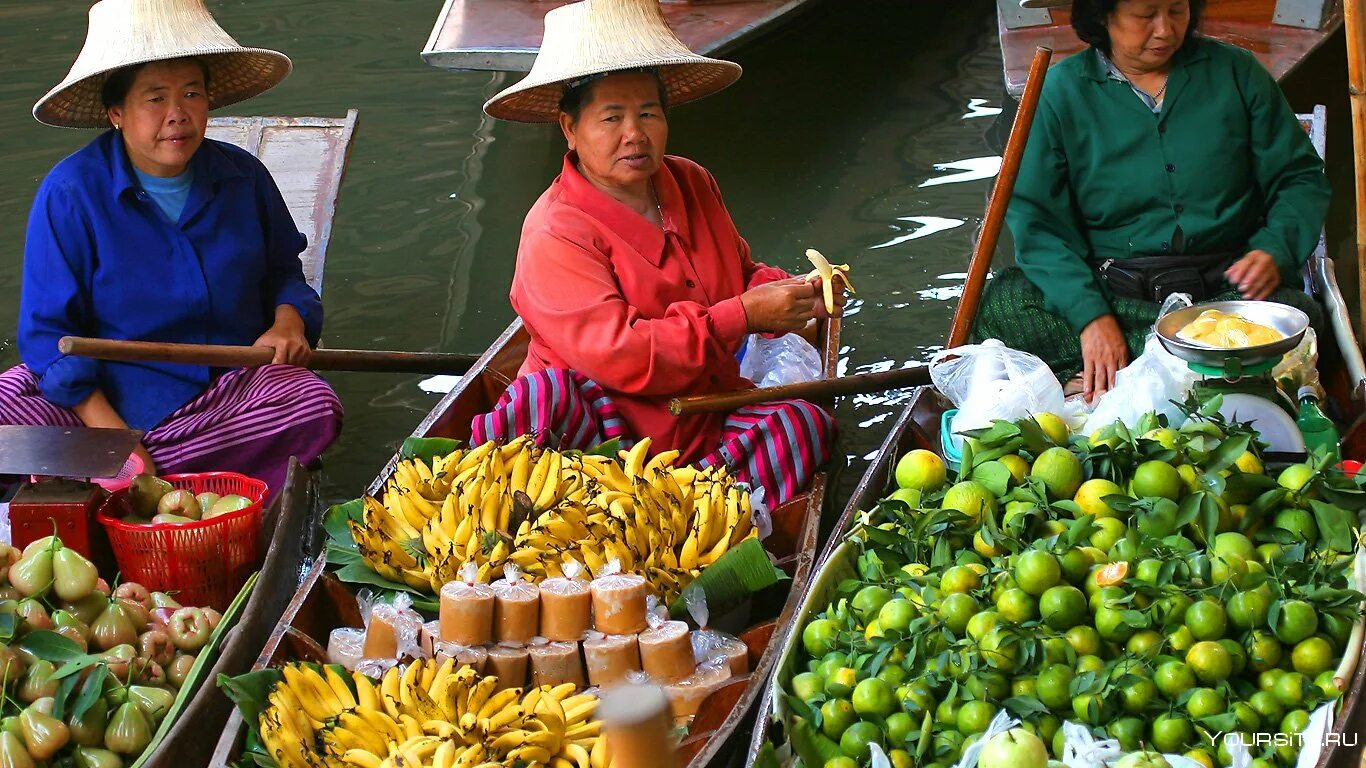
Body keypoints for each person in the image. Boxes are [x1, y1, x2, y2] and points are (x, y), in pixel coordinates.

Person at [473, 0, 842, 505]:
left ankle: (682, 509)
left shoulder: (691, 180)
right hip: (600, 426)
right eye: (611, 117)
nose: (635, 134)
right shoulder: (555, 230)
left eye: (648, 113)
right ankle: (678, 506)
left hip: (699, 409)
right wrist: (741, 317)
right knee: (542, 399)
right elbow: (622, 354)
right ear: (569, 128)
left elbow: (738, 275)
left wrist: (795, 294)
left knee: (802, 425)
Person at [3, 0, 343, 495]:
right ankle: (166, 471)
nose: (177, 115)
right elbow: (47, 334)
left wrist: (287, 322)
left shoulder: (243, 176)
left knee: (311, 406)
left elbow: (283, 276)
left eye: (191, 94)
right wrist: (112, 437)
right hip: (103, 392)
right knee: (7, 407)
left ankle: (109, 473)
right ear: (117, 112)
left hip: (225, 389)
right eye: (155, 99)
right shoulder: (71, 193)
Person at [976, 0, 1330, 402]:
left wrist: (1275, 249)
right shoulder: (1060, 92)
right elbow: (1038, 225)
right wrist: (1092, 318)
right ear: (1103, 15)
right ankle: (1175, 368)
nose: (1165, 30)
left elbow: (1299, 178)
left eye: (1177, 11)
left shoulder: (1236, 71)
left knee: (1297, 314)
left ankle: (1109, 376)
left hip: (1219, 298)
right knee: (1003, 307)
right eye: (1146, 15)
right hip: (1115, 295)